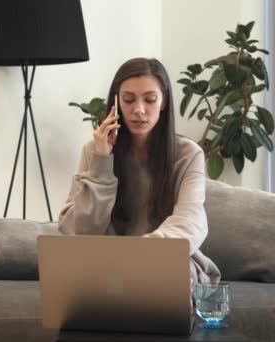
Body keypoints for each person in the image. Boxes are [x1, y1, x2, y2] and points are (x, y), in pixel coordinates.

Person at [58, 57, 220, 292]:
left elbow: (190, 221)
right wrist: (102, 162)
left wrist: (138, 255)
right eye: (128, 100)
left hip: (163, 260)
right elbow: (79, 231)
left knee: (171, 272)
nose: (139, 110)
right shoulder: (94, 150)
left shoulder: (187, 154)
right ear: (116, 102)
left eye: (150, 100)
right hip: (107, 263)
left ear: (163, 101)